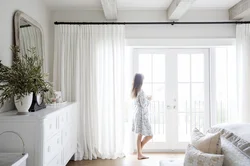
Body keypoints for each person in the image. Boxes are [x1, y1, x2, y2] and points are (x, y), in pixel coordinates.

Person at [131, 73, 153, 160]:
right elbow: (144, 104)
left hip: (138, 114)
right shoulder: (140, 90)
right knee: (149, 135)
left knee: (140, 135)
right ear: (141, 81)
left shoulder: (135, 90)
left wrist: (146, 98)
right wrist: (149, 99)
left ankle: (139, 153)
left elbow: (140, 101)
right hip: (141, 115)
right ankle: (139, 153)